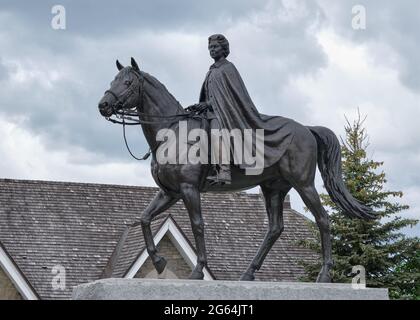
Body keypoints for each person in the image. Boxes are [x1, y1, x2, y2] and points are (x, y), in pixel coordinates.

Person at [188, 34, 296, 186]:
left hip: (225, 114)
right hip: (210, 113)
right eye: (210, 48)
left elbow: (231, 97)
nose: (212, 50)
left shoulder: (228, 68)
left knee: (216, 133)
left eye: (215, 47)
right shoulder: (211, 71)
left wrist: (208, 104)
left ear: (223, 49)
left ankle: (224, 171)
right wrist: (201, 105)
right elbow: (209, 96)